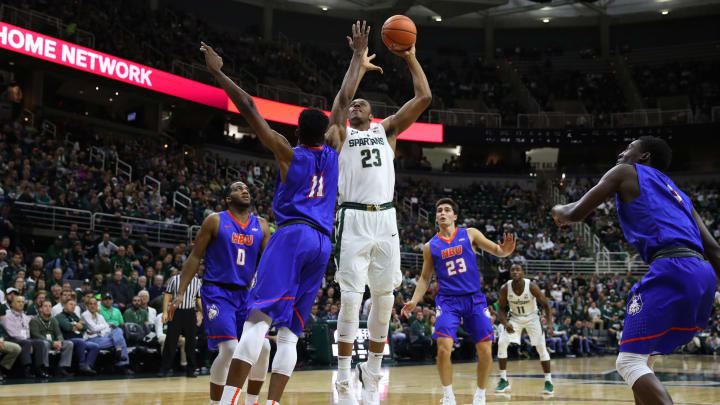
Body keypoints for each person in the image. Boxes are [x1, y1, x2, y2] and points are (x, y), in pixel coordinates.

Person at [200, 37, 338, 405]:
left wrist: (219, 73)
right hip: (324, 244)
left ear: (297, 133)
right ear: (325, 133)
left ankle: (230, 400)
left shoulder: (288, 153)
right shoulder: (333, 152)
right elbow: (342, 100)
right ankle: (272, 403)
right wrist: (356, 57)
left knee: (257, 323)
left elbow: (248, 106)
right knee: (290, 335)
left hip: (293, 235)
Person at [551, 136, 720, 404]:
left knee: (629, 362)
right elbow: (713, 249)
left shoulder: (625, 172)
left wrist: (557, 209)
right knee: (644, 361)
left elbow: (575, 212)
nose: (621, 153)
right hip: (703, 273)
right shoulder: (680, 196)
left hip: (672, 267)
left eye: (629, 148)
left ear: (644, 157)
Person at [328, 20, 431, 405]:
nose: (355, 105)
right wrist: (356, 59)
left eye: (361, 104)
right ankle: (341, 379)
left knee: (385, 299)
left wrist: (411, 58)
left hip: (385, 219)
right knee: (351, 300)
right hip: (352, 217)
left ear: (372, 113)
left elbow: (423, 98)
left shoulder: (386, 130)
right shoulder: (341, 134)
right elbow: (340, 101)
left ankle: (371, 375)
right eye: (353, 104)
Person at [402, 198, 515, 405]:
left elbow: (497, 251)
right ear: (436, 217)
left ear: (455, 216)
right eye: (439, 211)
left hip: (474, 299)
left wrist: (505, 251)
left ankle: (480, 394)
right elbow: (426, 277)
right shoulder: (431, 246)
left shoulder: (470, 234)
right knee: (444, 347)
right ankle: (448, 394)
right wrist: (414, 300)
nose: (442, 213)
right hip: (448, 301)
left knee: (486, 350)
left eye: (447, 210)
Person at [167, 181, 272, 405]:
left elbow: (271, 263)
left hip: (247, 294)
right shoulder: (215, 220)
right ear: (227, 199)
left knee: (264, 347)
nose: (244, 190)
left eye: (246, 188)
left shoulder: (262, 226)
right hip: (217, 292)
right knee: (230, 349)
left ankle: (252, 401)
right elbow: (195, 256)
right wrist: (179, 293)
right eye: (237, 188)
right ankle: (217, 403)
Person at [495, 264, 555, 394]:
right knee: (501, 343)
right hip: (515, 317)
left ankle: (548, 381)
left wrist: (549, 323)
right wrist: (505, 323)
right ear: (510, 273)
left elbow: (546, 304)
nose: (515, 272)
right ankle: (503, 380)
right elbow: (500, 308)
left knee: (541, 347)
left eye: (518, 270)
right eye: (513, 270)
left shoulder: (531, 286)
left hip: (532, 317)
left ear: (523, 272)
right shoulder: (506, 288)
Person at [160, 270, 202, 377]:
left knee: (191, 342)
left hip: (190, 313)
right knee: (171, 340)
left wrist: (202, 313)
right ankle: (165, 368)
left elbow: (199, 299)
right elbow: (167, 296)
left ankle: (191, 370)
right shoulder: (174, 279)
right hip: (175, 312)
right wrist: (165, 312)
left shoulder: (197, 282)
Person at [1, 295, 48, 378]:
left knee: (40, 342)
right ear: (12, 304)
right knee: (27, 343)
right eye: (18, 302)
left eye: (22, 302)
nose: (21, 304)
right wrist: (29, 342)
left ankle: (39, 368)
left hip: (25, 339)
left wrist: (30, 341)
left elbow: (28, 332)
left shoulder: (26, 317)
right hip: (12, 339)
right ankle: (26, 368)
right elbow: (12, 333)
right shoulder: (7, 317)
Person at [82, 297, 131, 371]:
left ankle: (118, 350)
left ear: (97, 306)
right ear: (87, 306)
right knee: (120, 339)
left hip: (103, 337)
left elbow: (107, 330)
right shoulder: (85, 315)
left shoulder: (99, 316)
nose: (92, 306)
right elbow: (94, 328)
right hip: (91, 340)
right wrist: (105, 326)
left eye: (94, 304)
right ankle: (122, 364)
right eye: (90, 304)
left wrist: (103, 328)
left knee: (118, 330)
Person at [56, 298, 101, 375]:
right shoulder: (60, 316)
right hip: (68, 339)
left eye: (74, 305)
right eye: (71, 304)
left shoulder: (74, 315)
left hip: (79, 339)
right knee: (81, 341)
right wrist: (77, 324)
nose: (73, 306)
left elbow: (85, 326)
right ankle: (81, 365)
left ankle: (88, 366)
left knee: (95, 346)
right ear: (64, 305)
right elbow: (67, 327)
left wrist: (77, 325)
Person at [29, 300, 74, 377]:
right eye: (45, 306)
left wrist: (60, 341)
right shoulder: (34, 320)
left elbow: (59, 333)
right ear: (40, 309)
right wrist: (52, 342)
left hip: (54, 342)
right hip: (40, 342)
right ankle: (44, 368)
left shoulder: (53, 320)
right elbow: (36, 335)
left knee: (69, 344)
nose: (48, 308)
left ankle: (62, 368)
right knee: (45, 343)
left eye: (50, 306)